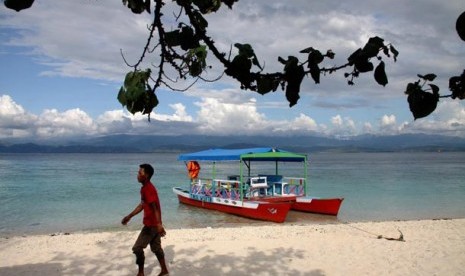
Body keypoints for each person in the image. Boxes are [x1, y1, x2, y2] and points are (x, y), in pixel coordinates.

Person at [121, 163, 169, 276]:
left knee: (137, 248)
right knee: (156, 248)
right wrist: (129, 216)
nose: (137, 175)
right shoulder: (145, 188)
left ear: (146, 175)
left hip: (151, 225)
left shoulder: (148, 189)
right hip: (155, 224)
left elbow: (155, 207)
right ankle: (164, 270)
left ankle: (141, 273)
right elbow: (142, 205)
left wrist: (158, 224)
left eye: (140, 173)